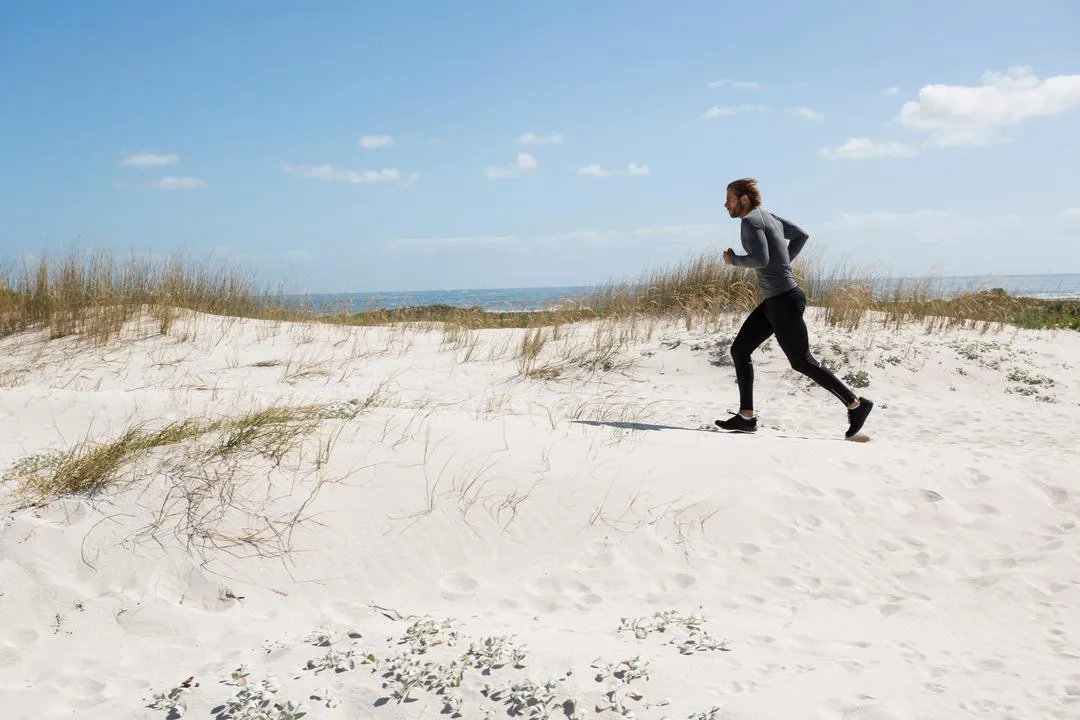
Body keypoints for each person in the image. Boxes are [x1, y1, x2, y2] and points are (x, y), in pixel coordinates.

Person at [714, 177, 873, 438]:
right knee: (740, 349)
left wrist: (734, 260)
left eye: (729, 199)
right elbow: (801, 235)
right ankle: (746, 416)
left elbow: (760, 259)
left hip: (783, 300)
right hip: (777, 300)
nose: (725, 204)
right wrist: (783, 264)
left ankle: (856, 404)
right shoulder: (768, 217)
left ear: (744, 199)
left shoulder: (750, 222)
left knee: (802, 361)